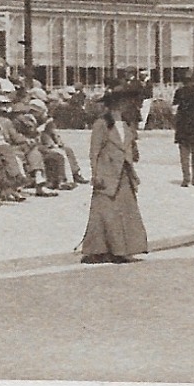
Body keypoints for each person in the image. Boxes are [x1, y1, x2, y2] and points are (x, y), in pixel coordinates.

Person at [80, 82, 149, 264]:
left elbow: (130, 149)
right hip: (106, 173)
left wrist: (133, 150)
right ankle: (98, 250)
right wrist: (95, 174)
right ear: (117, 103)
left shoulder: (126, 125)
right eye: (126, 101)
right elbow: (94, 151)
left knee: (125, 212)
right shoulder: (101, 124)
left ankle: (122, 250)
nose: (130, 104)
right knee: (103, 214)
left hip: (124, 173)